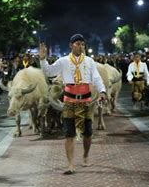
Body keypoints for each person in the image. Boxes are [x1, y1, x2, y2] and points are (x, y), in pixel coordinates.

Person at [39, 34, 106, 175]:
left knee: (88, 133)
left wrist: (102, 91)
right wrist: (42, 59)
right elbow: (49, 72)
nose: (80, 46)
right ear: (71, 45)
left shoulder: (89, 61)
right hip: (69, 100)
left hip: (86, 100)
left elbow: (96, 77)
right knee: (69, 133)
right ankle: (70, 164)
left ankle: (86, 156)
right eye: (77, 44)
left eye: (82, 44)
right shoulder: (63, 61)